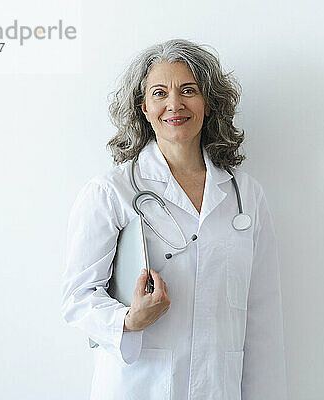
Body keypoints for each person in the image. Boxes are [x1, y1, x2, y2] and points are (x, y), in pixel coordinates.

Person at [61, 38, 287, 400]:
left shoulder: (245, 196)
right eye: (159, 93)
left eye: (188, 90)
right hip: (139, 387)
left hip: (218, 387)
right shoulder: (110, 191)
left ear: (209, 103)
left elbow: (262, 318)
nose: (174, 104)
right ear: (144, 108)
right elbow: (78, 297)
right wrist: (130, 320)